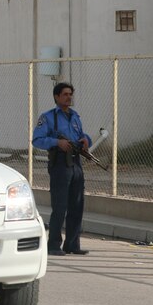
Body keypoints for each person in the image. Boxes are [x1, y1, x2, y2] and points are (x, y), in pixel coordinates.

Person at [32, 82, 92, 257]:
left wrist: (86, 140)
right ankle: (53, 245)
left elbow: (81, 135)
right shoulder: (48, 117)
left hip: (76, 163)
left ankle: (72, 244)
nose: (69, 97)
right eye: (65, 94)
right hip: (59, 164)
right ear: (57, 97)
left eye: (70, 94)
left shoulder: (75, 117)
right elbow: (37, 140)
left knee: (77, 205)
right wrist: (57, 142)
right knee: (60, 207)